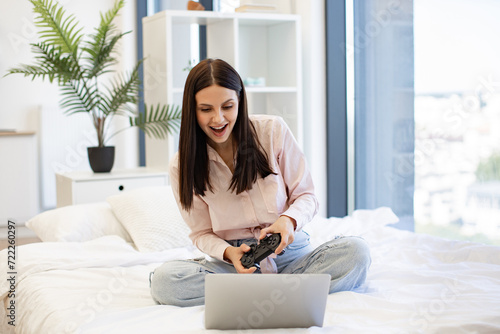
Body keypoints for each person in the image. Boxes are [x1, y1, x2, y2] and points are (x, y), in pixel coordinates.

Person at [150, 58, 371, 307]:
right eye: (206, 109)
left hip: (289, 254)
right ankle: (290, 294)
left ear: (240, 102)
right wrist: (228, 253)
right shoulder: (181, 165)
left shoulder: (272, 131)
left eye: (227, 106)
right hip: (236, 266)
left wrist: (288, 220)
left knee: (356, 252)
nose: (218, 119)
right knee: (165, 282)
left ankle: (254, 297)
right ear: (193, 109)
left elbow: (306, 196)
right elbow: (201, 233)